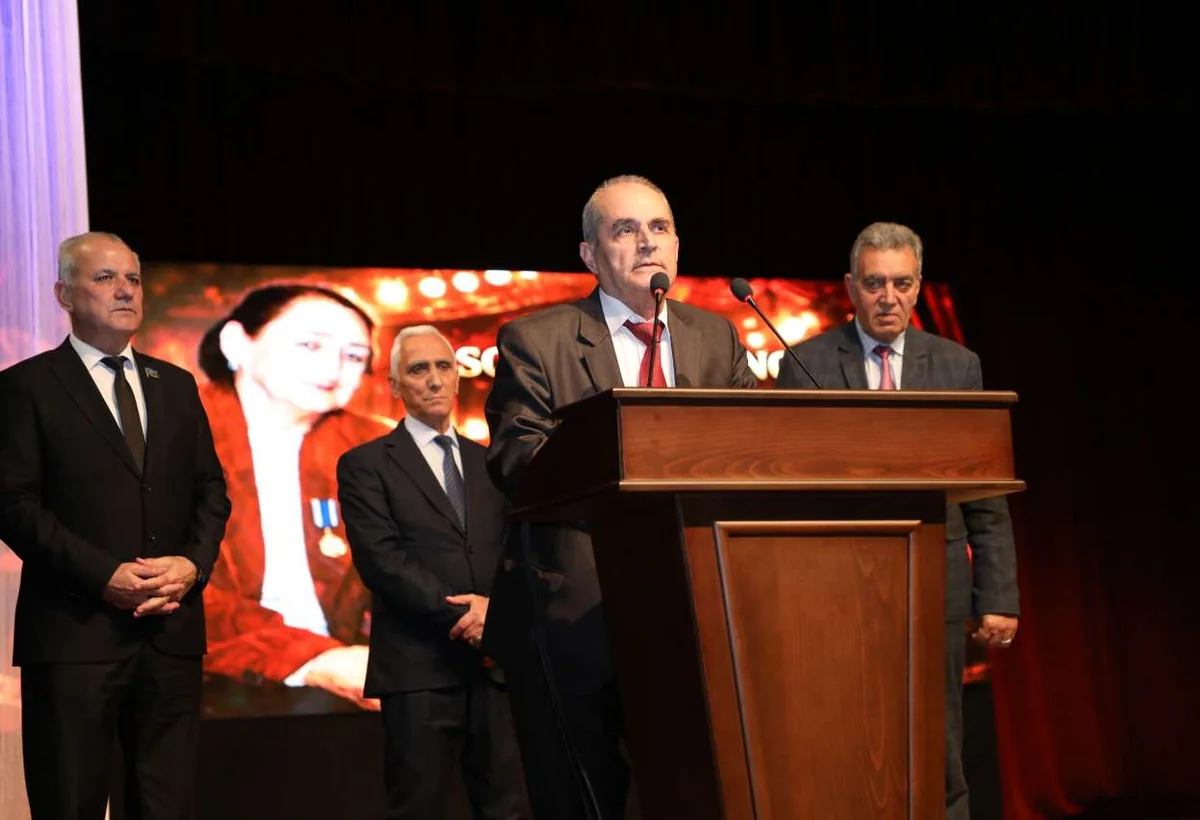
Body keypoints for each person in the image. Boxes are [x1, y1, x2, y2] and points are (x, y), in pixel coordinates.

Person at [483, 175, 757, 819]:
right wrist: (629, 445)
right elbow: (517, 463)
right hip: (577, 616)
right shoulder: (536, 339)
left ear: (678, 245)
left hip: (697, 612)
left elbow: (753, 449)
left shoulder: (717, 337)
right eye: (625, 230)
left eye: (659, 228)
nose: (646, 243)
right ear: (590, 253)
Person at [775, 221, 1020, 820]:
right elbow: (788, 491)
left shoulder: (958, 366)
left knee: (939, 738)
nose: (889, 297)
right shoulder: (805, 364)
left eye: (902, 284)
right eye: (875, 283)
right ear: (850, 287)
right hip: (836, 585)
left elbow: (985, 492)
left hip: (937, 580)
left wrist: (998, 596)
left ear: (918, 287)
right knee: (847, 733)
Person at [0, 231, 231, 819]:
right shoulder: (25, 386)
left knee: (166, 806)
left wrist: (192, 565)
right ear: (64, 294)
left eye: (133, 278)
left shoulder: (175, 384)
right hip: (73, 638)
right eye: (105, 278)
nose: (125, 290)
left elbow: (211, 492)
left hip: (170, 634)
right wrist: (104, 575)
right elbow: (13, 505)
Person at [337, 325, 530, 819]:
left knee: (508, 809)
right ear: (395, 385)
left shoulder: (492, 462)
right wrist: (468, 618)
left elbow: (518, 554)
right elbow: (382, 560)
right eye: (418, 369)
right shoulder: (365, 464)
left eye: (444, 366)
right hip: (417, 671)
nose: (434, 379)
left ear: (458, 377)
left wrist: (497, 616)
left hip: (494, 670)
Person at [196, 283, 394, 712]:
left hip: (352, 675)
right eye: (310, 345)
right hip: (203, 685)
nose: (333, 368)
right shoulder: (163, 433)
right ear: (237, 343)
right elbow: (164, 591)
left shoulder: (378, 446)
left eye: (354, 356)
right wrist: (316, 660)